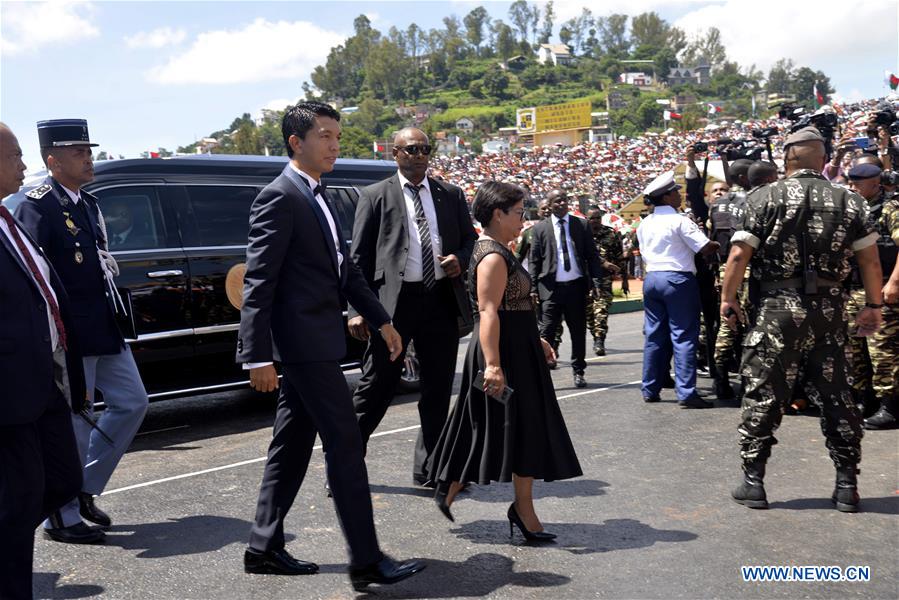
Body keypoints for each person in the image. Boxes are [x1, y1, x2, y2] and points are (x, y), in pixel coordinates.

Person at [236, 102, 424, 590]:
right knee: (345, 442)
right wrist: (256, 355)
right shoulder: (279, 197)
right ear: (296, 142)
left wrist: (383, 321)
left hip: (317, 342)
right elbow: (259, 282)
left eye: (337, 135)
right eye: (325, 135)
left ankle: (262, 545)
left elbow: (347, 272)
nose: (335, 144)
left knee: (291, 444)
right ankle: (366, 559)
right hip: (303, 348)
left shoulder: (321, 195)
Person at [722, 127, 883, 512]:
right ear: (824, 160)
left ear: (787, 159)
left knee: (764, 393)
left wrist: (728, 300)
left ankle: (754, 482)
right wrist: (873, 306)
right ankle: (847, 485)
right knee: (838, 396)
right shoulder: (851, 201)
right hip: (830, 308)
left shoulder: (761, 198)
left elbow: (739, 256)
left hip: (777, 307)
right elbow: (870, 261)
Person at [14, 119, 148, 545]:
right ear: (51, 160)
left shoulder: (87, 204)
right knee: (78, 422)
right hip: (70, 334)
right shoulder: (35, 205)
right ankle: (63, 515)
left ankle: (83, 487)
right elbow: (33, 277)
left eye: (88, 150)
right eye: (78, 152)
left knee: (133, 403)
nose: (88, 158)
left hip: (103, 325)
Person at [425, 181, 582, 540]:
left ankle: (517, 507)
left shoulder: (500, 249)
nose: (523, 218)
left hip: (518, 349)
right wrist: (493, 366)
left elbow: (517, 307)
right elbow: (489, 311)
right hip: (501, 354)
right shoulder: (492, 255)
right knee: (487, 423)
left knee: (514, 426)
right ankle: (453, 487)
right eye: (518, 212)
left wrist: (537, 339)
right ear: (498, 214)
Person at [348, 127, 476, 487]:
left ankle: (432, 469)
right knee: (377, 387)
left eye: (425, 148)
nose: (419, 154)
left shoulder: (450, 194)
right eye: (411, 149)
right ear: (395, 153)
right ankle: (345, 465)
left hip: (439, 301)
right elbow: (357, 260)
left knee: (437, 389)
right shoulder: (374, 196)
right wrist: (356, 309)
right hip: (393, 306)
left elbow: (469, 240)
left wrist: (459, 259)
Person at [0, 123, 84, 600]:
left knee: (63, 479)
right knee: (21, 498)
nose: (22, 165)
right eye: (13, 155)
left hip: (41, 380)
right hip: (8, 389)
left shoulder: (8, 221)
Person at [637, 172, 719, 408]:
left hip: (652, 278)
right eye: (674, 192)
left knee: (654, 336)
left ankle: (650, 388)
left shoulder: (646, 222)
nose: (678, 195)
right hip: (678, 279)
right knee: (683, 336)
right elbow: (704, 247)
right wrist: (720, 241)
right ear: (666, 197)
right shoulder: (680, 220)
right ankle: (686, 393)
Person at [528, 189, 604, 388]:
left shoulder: (581, 225)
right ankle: (542, 372)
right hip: (550, 290)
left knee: (578, 332)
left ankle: (579, 371)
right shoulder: (540, 229)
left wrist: (596, 282)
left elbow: (592, 256)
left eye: (565, 200)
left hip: (576, 289)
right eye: (557, 201)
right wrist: (533, 287)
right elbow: (534, 261)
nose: (562, 204)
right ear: (549, 205)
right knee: (546, 333)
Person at [844, 162, 898, 430]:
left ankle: (890, 405)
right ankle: (867, 399)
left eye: (857, 184)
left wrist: (894, 283)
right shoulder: (854, 209)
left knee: (882, 351)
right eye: (850, 183)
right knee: (857, 350)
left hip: (883, 287)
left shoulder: (890, 208)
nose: (852, 188)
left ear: (875, 184)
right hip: (855, 289)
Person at [585, 206, 626, 356]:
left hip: (604, 279)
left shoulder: (611, 234)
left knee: (601, 310)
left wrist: (624, 279)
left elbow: (620, 257)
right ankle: (596, 335)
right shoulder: (581, 234)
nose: (595, 221)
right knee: (589, 314)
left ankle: (599, 340)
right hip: (585, 279)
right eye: (592, 218)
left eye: (598, 218)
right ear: (586, 219)